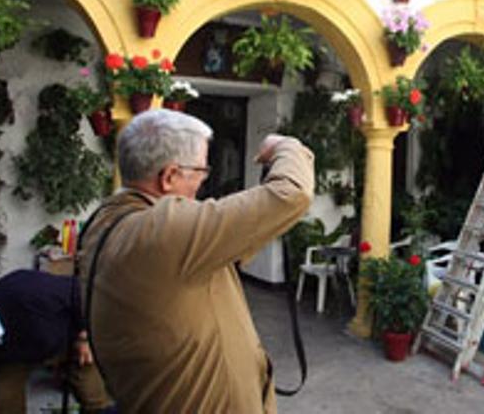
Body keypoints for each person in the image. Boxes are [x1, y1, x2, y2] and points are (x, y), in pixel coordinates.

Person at [79, 109, 314, 413]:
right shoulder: (163, 232)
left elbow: (230, 250)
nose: (204, 183)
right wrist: (286, 146)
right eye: (202, 171)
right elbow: (292, 194)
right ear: (169, 177)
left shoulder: (110, 223)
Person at [0, 269, 114, 414]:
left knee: (93, 396)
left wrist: (85, 336)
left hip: (71, 340)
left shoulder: (26, 291)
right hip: (19, 356)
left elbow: (82, 293)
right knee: (4, 401)